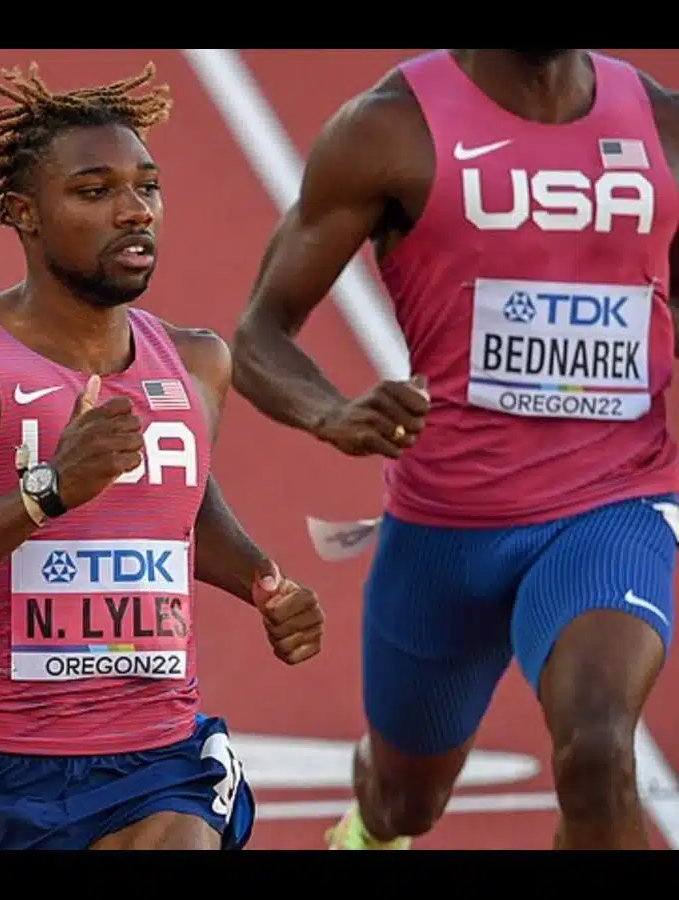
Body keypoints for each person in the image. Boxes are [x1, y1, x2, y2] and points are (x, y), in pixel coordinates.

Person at [0, 61, 326, 851]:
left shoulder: (197, 365)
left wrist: (263, 580)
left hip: (157, 763)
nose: (134, 211)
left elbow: (182, 499)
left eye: (148, 187)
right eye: (94, 192)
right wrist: (42, 496)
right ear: (24, 214)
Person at [230, 48, 679, 850]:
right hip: (447, 523)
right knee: (408, 801)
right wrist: (329, 412)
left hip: (615, 503)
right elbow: (260, 334)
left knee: (598, 745)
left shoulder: (662, 126)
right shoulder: (388, 130)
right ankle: (369, 830)